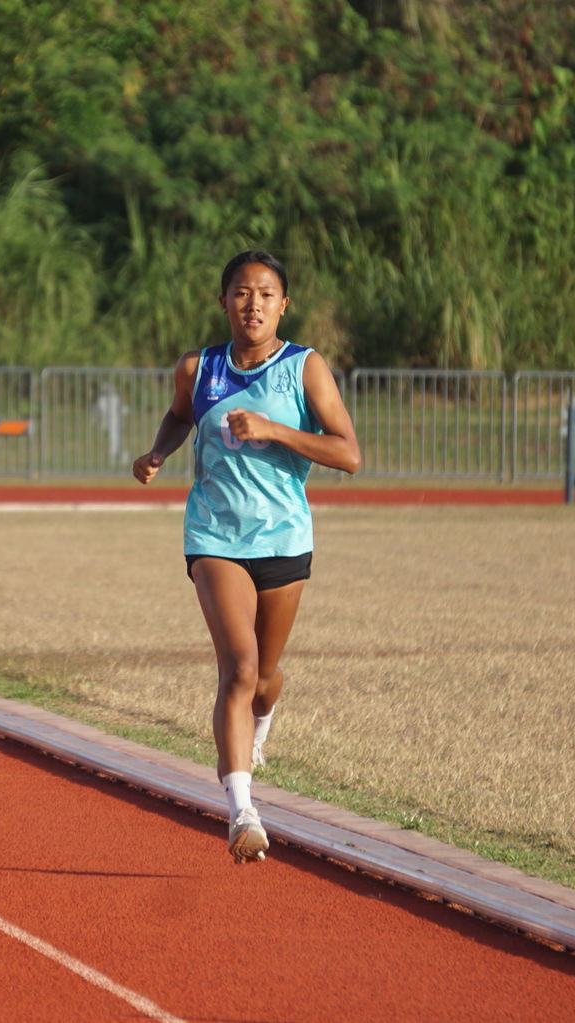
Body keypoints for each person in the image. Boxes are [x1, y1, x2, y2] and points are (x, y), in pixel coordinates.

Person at [133, 250, 360, 863]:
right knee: (236, 667)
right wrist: (158, 452)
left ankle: (260, 725)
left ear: (283, 304)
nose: (252, 303)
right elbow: (180, 416)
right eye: (240, 292)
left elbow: (348, 453)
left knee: (264, 678)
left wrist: (275, 430)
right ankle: (242, 812)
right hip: (214, 537)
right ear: (223, 301)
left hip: (285, 538)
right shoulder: (197, 367)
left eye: (265, 293)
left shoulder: (305, 368)